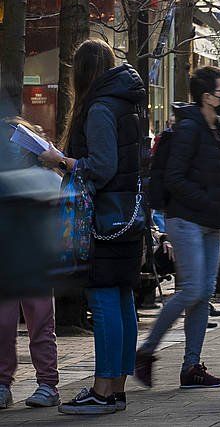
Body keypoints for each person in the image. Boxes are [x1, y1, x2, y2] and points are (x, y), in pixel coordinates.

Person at [39, 40, 146, 415]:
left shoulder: (100, 107)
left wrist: (61, 160)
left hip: (102, 220)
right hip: (127, 218)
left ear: (81, 73)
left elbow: (101, 167)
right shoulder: (127, 104)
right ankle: (115, 388)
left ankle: (103, 389)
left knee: (104, 301)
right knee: (121, 299)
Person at [135, 66, 220, 390]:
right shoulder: (190, 128)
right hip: (188, 220)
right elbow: (175, 178)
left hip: (210, 223)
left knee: (203, 294)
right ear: (207, 97)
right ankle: (146, 351)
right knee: (192, 290)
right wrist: (208, 201)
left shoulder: (212, 127)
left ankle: (192, 366)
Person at [1, 119, 60, 409]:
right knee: (3, 324)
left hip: (35, 261)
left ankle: (48, 383)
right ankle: (3, 383)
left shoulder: (47, 177)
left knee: (40, 323)